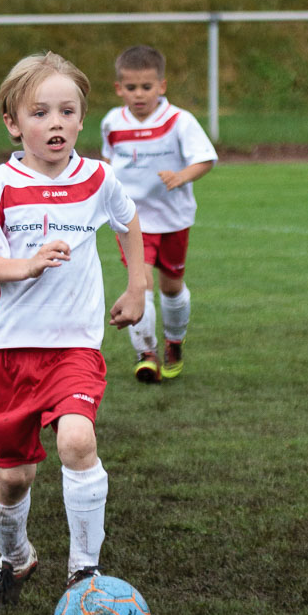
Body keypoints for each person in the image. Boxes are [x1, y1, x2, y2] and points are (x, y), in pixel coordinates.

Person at [0, 51, 146, 615]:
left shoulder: (97, 177)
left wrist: (136, 287)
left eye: (68, 111)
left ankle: (84, 572)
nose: (56, 123)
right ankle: (15, 557)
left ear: (82, 119)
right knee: (13, 479)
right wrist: (26, 265)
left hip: (74, 344)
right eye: (40, 113)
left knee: (76, 442)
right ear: (14, 123)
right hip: (12, 351)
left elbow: (128, 219)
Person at [101, 44, 216, 383]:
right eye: (131, 88)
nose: (139, 95)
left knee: (172, 287)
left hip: (173, 218)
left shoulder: (179, 121)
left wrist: (182, 176)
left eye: (147, 87)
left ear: (162, 86)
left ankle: (174, 342)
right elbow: (108, 165)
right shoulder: (112, 122)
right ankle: (146, 353)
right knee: (142, 282)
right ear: (119, 88)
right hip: (131, 220)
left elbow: (205, 158)